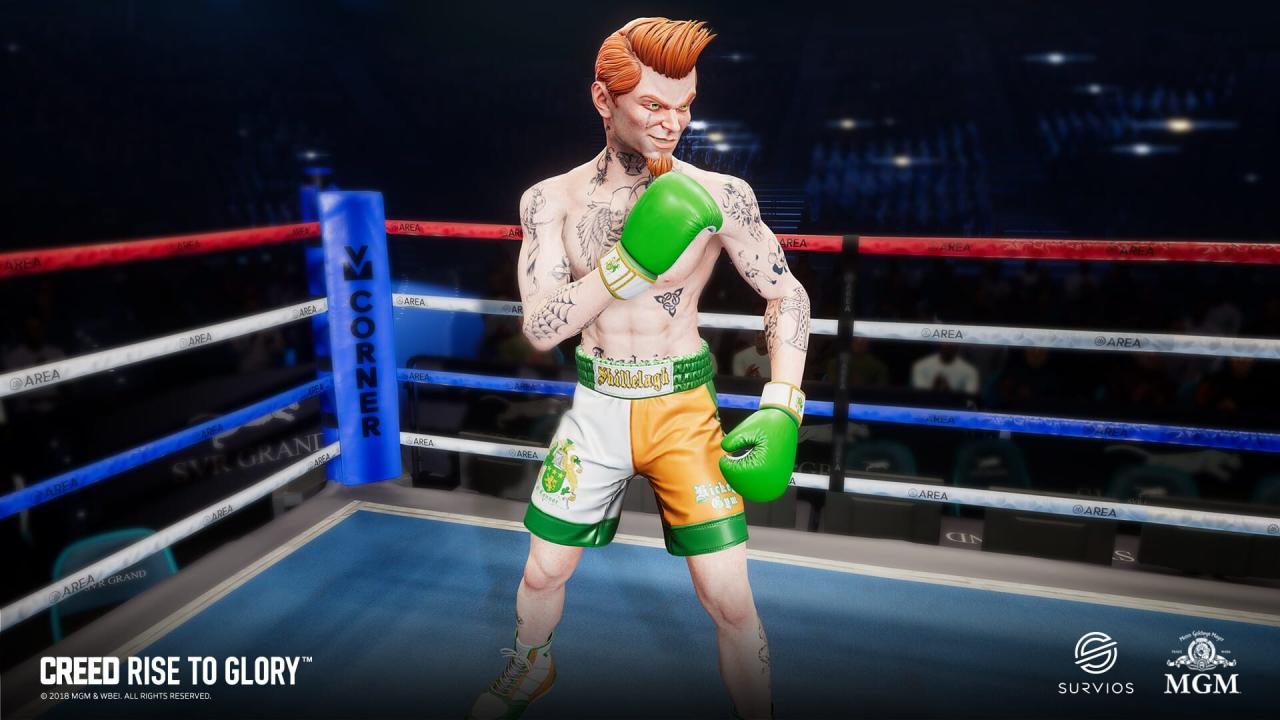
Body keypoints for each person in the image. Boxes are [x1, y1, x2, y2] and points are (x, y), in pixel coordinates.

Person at [468, 18, 810, 720]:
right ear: (603, 99)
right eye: (653, 104)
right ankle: (531, 666)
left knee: (728, 597)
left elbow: (788, 294)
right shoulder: (551, 201)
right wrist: (626, 266)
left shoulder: (720, 195)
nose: (672, 123)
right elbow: (541, 328)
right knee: (543, 570)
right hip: (597, 406)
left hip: (684, 411)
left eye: (684, 107)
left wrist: (783, 403)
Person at [910, 343, 978, 395]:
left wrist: (949, 393)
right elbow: (919, 395)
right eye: (945, 343)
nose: (949, 346)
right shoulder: (921, 366)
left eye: (952, 343)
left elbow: (970, 399)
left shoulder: (970, 371)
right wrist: (933, 389)